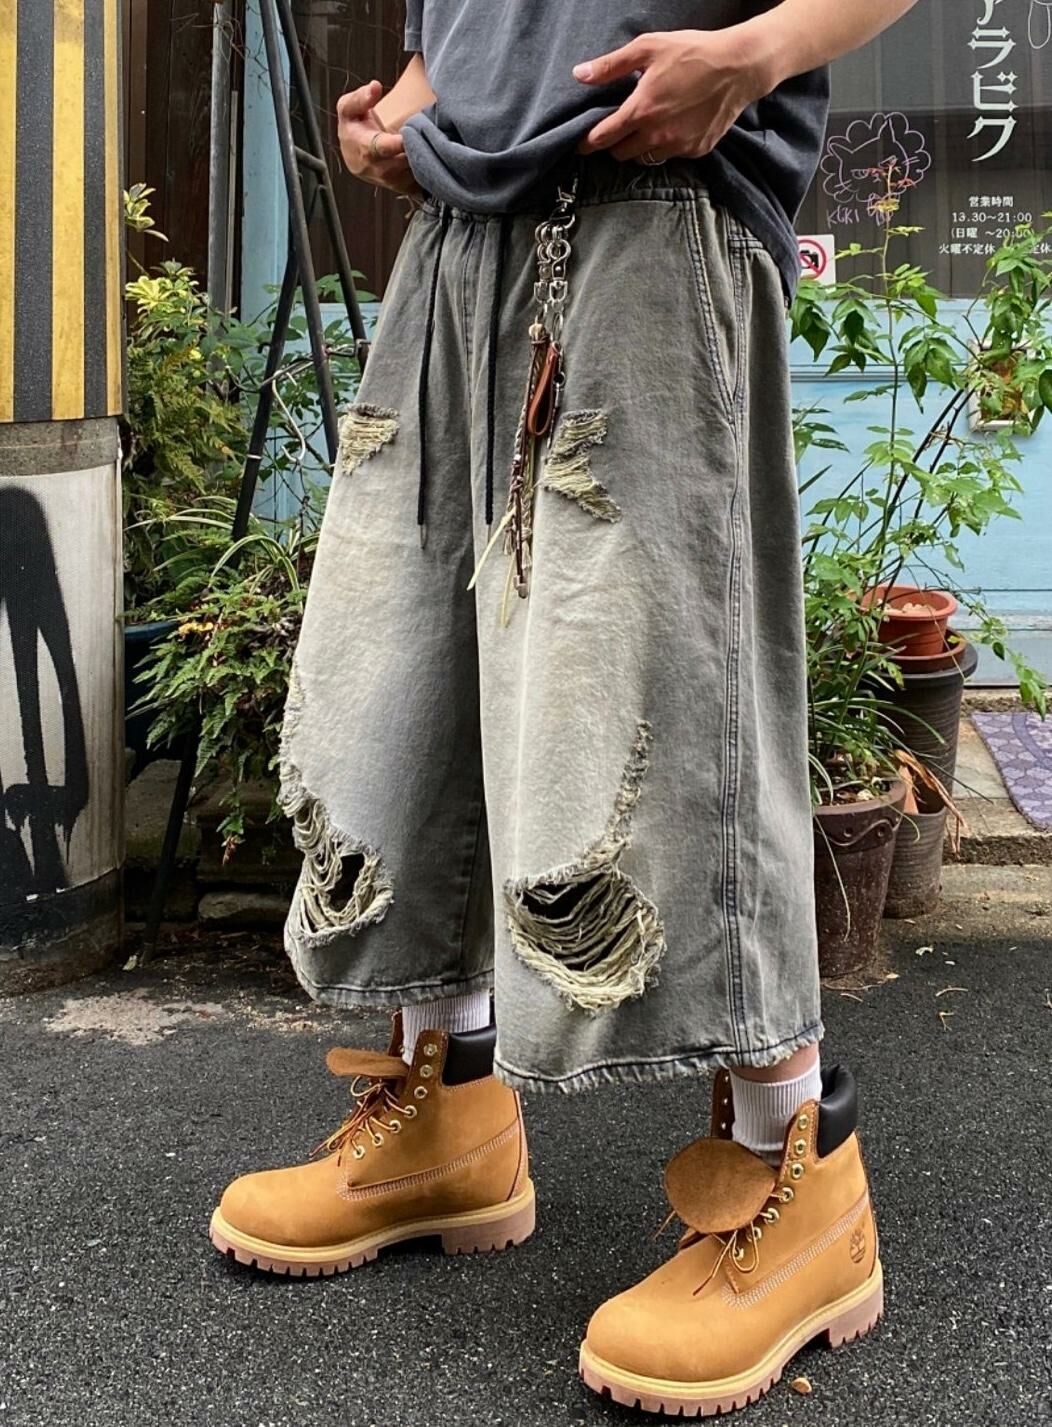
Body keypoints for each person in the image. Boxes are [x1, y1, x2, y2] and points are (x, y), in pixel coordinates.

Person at [212, 0, 920, 1413]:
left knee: (670, 690)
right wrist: (413, 97)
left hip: (661, 199)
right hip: (457, 233)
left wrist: (759, 51)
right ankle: (448, 1107)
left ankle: (799, 1172)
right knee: (407, 664)